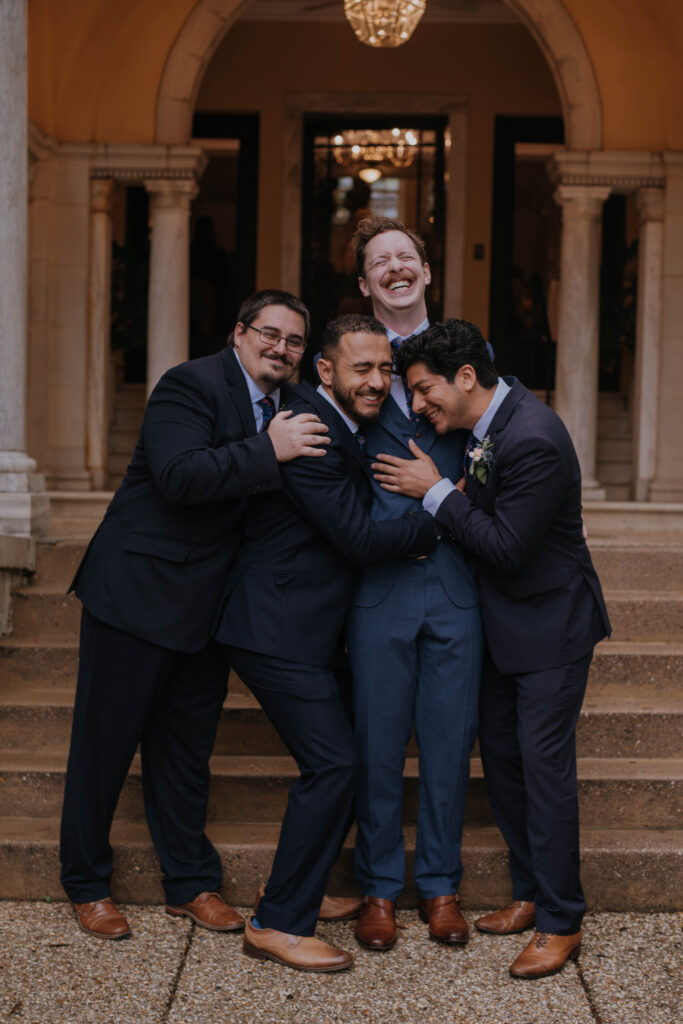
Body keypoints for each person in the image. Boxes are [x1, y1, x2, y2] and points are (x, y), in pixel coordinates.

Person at [60, 290, 330, 939]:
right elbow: (179, 476)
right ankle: (86, 883)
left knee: (184, 755)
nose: (282, 348)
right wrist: (270, 450)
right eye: (270, 333)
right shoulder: (190, 384)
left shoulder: (287, 408)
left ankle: (190, 883)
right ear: (239, 333)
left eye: (294, 341)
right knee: (104, 748)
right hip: (138, 594)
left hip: (211, 609)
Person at [374, 318, 611, 979]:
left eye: (424, 391)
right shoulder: (489, 427)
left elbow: (506, 545)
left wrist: (435, 493)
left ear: (467, 378)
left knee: (543, 772)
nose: (418, 405)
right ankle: (530, 892)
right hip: (508, 629)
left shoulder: (531, 437)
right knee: (505, 765)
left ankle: (562, 920)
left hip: (551, 631)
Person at [214, 314, 438, 972]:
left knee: (351, 759)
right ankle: (277, 922)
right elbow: (358, 540)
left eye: (383, 369)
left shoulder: (343, 423)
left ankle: (295, 889)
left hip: (308, 627)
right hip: (273, 628)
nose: (375, 382)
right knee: (335, 764)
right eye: (360, 369)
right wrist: (440, 515)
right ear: (325, 371)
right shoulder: (310, 429)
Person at [345, 216, 482, 950]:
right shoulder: (345, 364)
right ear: (365, 284)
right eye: (379, 262)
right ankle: (375, 888)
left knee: (447, 740)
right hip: (378, 586)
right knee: (374, 743)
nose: (395, 268)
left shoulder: (471, 353)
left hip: (456, 585)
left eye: (406, 257)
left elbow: (508, 437)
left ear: (425, 272)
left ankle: (439, 887)